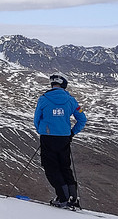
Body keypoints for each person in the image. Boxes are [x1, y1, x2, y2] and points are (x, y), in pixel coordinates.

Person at [33, 74, 88, 208]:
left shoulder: (43, 99)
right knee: (65, 167)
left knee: (51, 168)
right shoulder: (71, 100)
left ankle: (62, 197)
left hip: (48, 137)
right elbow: (82, 120)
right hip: (64, 138)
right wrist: (71, 133)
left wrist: (42, 130)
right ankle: (72, 197)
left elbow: (36, 119)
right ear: (64, 85)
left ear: (52, 85)